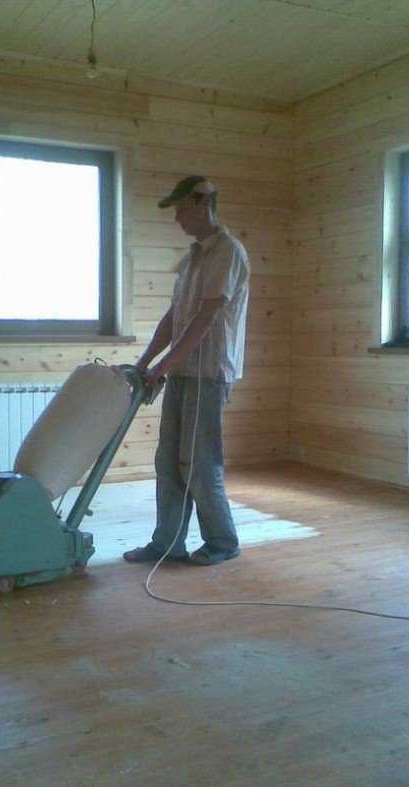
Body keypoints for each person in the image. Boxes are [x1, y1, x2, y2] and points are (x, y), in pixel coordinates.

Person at [123, 175, 250, 566]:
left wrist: (163, 366)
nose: (177, 218)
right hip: (182, 373)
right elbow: (175, 317)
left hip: (208, 373)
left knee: (198, 463)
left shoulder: (227, 251)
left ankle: (222, 542)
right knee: (168, 462)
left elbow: (207, 317)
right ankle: (167, 543)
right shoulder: (193, 257)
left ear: (202, 202)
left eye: (181, 209)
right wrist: (145, 362)